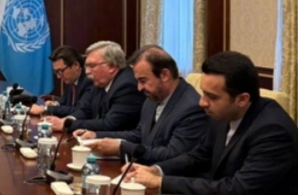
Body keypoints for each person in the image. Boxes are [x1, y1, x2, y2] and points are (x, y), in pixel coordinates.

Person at [129, 51, 298, 195]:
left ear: (242, 99)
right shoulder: (222, 114)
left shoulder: (272, 131)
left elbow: (238, 192)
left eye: (211, 96)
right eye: (203, 93)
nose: (202, 102)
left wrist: (162, 183)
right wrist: (156, 170)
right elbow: (198, 156)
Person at [76, 45, 207, 163]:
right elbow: (139, 134)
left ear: (164, 75)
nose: (139, 88)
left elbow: (173, 155)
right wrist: (96, 135)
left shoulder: (191, 107)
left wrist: (122, 148)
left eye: (143, 81)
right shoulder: (152, 98)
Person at [43, 40, 144, 133]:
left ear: (112, 66)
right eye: (86, 66)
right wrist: (65, 121)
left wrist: (68, 125)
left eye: (92, 66)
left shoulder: (127, 85)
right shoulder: (100, 82)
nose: (87, 71)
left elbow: (110, 124)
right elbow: (85, 110)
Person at [29, 45, 96, 118]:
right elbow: (64, 98)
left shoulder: (89, 80)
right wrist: (55, 103)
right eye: (56, 72)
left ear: (76, 65)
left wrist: (45, 109)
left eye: (61, 71)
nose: (58, 76)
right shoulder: (71, 78)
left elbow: (79, 110)